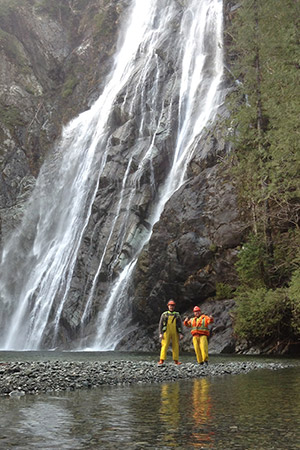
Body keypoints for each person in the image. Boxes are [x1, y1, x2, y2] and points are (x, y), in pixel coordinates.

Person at [158, 299, 183, 366]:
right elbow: (160, 324)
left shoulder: (177, 315)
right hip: (166, 331)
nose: (171, 307)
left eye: (172, 306)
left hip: (175, 331)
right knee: (164, 345)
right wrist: (160, 333)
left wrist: (181, 333)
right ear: (168, 306)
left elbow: (180, 324)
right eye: (170, 305)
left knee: (176, 345)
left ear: (174, 307)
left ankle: (176, 360)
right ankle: (161, 360)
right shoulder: (164, 314)